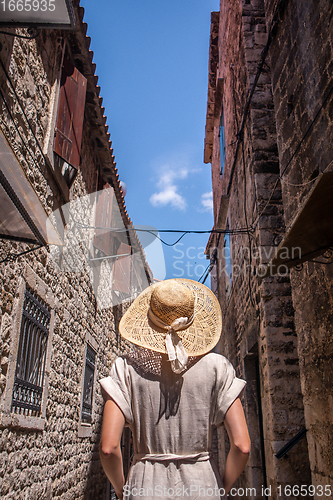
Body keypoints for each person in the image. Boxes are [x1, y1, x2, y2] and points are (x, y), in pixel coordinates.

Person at [99, 279, 250, 499]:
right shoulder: (217, 367)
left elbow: (109, 448)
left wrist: (123, 491)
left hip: (145, 488)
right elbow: (241, 446)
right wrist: (222, 488)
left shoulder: (126, 369)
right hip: (203, 487)